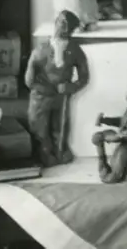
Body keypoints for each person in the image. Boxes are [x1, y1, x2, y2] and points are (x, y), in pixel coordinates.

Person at [24, 10, 89, 167]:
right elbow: (29, 80)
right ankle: (44, 152)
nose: (63, 28)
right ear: (55, 23)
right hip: (41, 97)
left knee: (60, 126)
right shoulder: (41, 49)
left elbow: (84, 76)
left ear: (72, 30)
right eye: (61, 22)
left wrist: (71, 86)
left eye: (68, 25)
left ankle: (60, 151)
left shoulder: (75, 50)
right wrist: (41, 87)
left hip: (61, 97)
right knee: (39, 126)